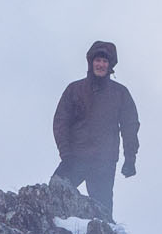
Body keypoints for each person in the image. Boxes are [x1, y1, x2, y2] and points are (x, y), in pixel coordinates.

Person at [50, 40, 139, 219]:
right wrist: (66, 155)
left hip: (103, 163)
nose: (101, 64)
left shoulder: (120, 93)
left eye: (105, 61)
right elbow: (60, 122)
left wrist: (130, 159)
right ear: (91, 62)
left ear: (110, 65)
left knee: (103, 216)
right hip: (75, 158)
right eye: (97, 60)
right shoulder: (74, 89)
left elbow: (130, 127)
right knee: (51, 198)